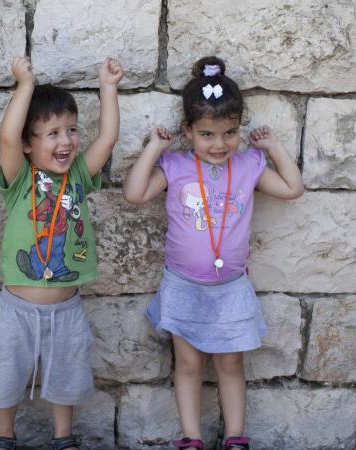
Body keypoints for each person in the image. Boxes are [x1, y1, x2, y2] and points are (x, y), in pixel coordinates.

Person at [123, 56, 304, 450]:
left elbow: (293, 188)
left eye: (229, 133)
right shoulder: (175, 166)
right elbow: (135, 194)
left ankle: (236, 438)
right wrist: (155, 148)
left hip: (231, 287)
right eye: (207, 134)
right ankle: (191, 438)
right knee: (188, 365)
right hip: (184, 285)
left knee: (230, 363)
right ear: (188, 131)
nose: (219, 144)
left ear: (239, 129)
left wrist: (273, 146)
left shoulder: (250, 165)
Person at [0, 56, 123, 450]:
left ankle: (63, 438)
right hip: (17, 307)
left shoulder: (78, 176)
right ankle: (3, 437)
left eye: (72, 131)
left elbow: (106, 140)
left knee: (66, 374)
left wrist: (108, 88)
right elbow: (7, 138)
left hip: (67, 306)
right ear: (29, 144)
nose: (66, 141)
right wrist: (24, 84)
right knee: (7, 372)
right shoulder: (20, 178)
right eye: (52, 133)